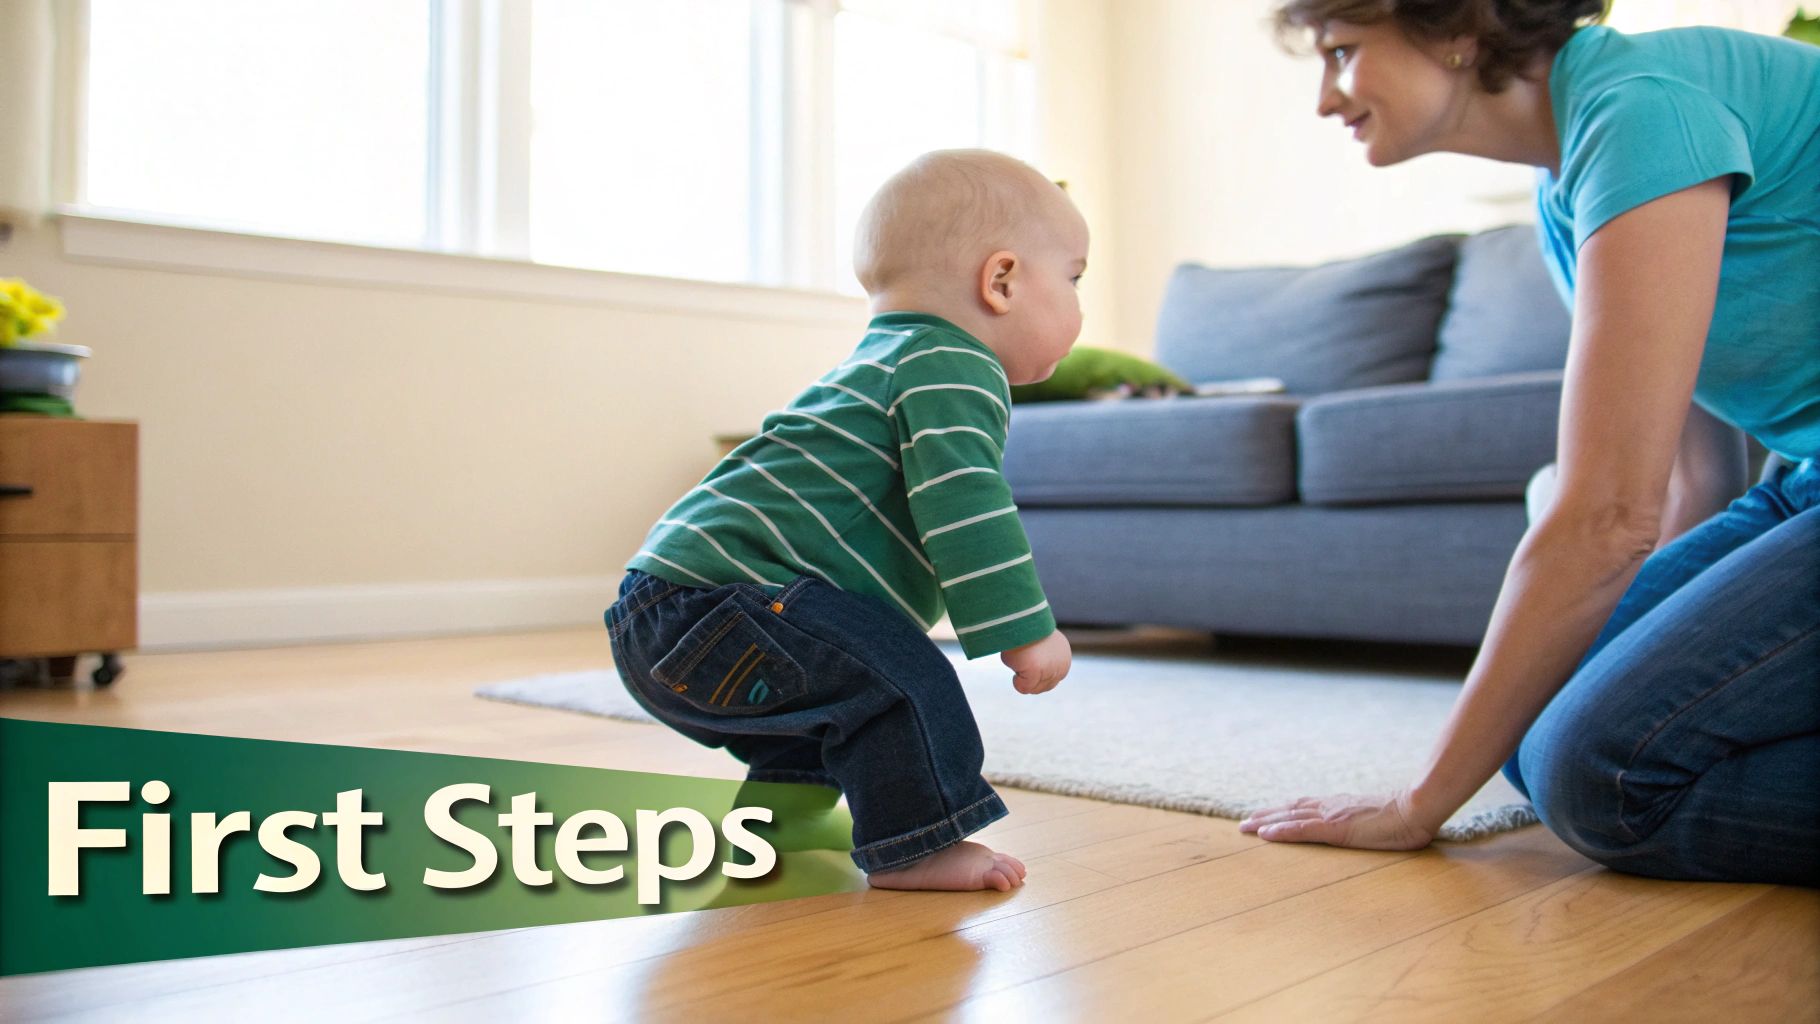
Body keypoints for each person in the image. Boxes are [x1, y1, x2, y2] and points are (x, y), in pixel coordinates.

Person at [1240, 1, 1819, 886]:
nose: (1327, 97)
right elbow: (1691, 484)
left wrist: (1418, 805)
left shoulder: (1642, 111)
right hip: (1800, 477)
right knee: (1535, 721)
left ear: (1455, 26)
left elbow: (1609, 515)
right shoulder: (1570, 186)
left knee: (1600, 780)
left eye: (1343, 53)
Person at [605, 149, 1087, 892]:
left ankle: (779, 823)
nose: (1080, 303)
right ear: (1002, 281)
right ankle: (919, 844)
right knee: (899, 679)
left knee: (830, 692)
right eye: (1075, 278)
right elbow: (964, 503)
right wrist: (1027, 630)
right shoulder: (954, 364)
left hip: (666, 614)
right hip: (724, 604)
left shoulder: (886, 358)